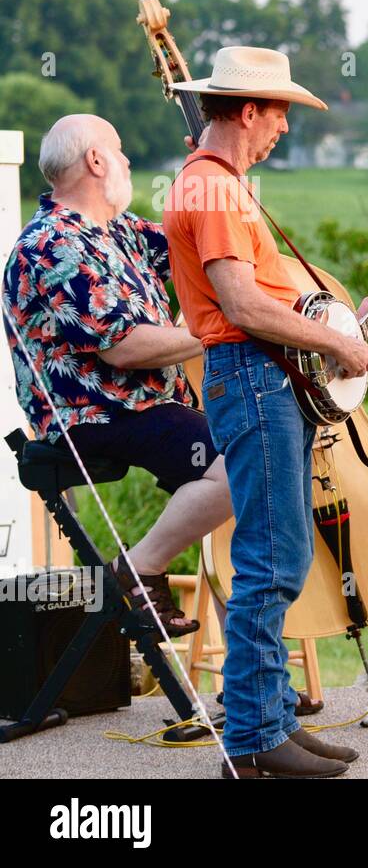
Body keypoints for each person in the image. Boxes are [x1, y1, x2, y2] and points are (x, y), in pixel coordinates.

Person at [162, 46, 368, 778]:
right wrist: (336, 340)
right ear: (246, 110)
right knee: (271, 562)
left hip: (265, 378)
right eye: (277, 115)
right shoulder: (210, 189)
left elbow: (268, 301)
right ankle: (253, 739)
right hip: (252, 379)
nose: (281, 130)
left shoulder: (222, 185)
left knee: (282, 556)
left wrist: (349, 329)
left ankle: (269, 726)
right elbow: (239, 306)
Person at [3, 114, 230, 636]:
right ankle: (138, 570)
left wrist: (214, 169)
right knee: (241, 458)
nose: (128, 161)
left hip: (148, 409)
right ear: (97, 160)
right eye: (121, 150)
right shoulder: (51, 244)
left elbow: (206, 252)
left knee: (241, 491)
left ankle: (250, 679)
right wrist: (224, 330)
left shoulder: (119, 231)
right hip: (99, 415)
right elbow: (125, 348)